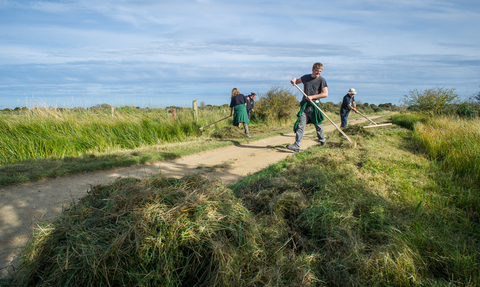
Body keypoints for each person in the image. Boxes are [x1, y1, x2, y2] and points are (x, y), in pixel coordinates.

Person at [286, 62, 328, 152]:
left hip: (315, 106)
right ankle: (297, 146)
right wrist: (293, 79)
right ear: (312, 69)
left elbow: (325, 94)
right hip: (305, 105)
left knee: (318, 125)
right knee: (300, 126)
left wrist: (313, 97)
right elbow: (296, 81)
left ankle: (322, 141)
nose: (318, 73)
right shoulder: (305, 78)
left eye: (320, 71)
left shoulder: (322, 80)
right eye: (317, 71)